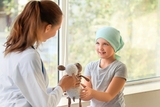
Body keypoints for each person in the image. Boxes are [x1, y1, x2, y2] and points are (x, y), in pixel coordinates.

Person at [0, 1, 79, 107]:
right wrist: (62, 87)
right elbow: (44, 105)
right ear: (48, 27)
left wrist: (56, 89)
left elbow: (26, 91)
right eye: (58, 29)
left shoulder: (10, 49)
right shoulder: (29, 56)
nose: (56, 34)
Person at [80, 26, 127, 107]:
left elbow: (108, 96)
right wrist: (75, 91)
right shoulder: (90, 66)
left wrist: (91, 92)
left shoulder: (120, 68)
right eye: (97, 43)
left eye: (105, 44)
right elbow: (87, 96)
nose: (100, 48)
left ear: (114, 46)